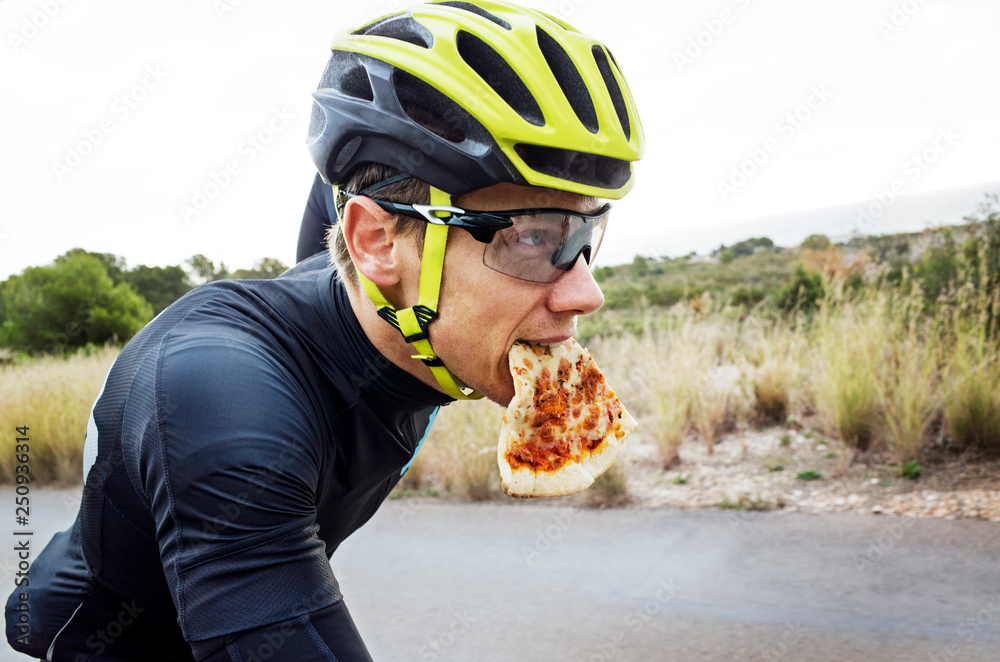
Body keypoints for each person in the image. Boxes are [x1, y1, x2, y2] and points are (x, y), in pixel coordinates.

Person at [5, 1, 644, 659]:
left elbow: (336, 193)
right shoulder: (221, 394)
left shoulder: (383, 289)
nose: (585, 293)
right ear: (375, 242)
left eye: (587, 234)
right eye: (535, 237)